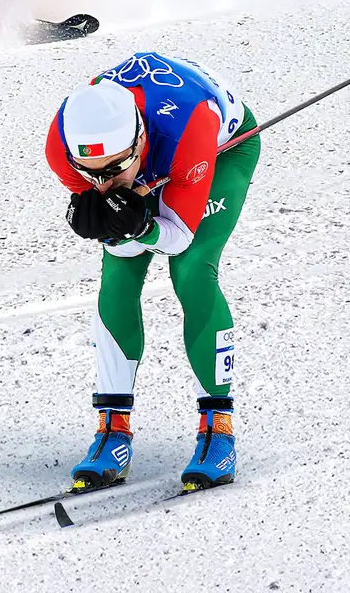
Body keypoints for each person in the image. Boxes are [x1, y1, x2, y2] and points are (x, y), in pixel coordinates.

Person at [47, 53, 261, 493]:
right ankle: (112, 431)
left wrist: (141, 225)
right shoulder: (62, 145)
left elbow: (177, 238)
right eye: (90, 175)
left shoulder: (190, 126)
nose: (102, 185)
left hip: (217, 152)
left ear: (140, 140)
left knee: (192, 271)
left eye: (113, 171)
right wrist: (110, 225)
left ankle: (218, 431)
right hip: (156, 155)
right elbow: (109, 218)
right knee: (118, 274)